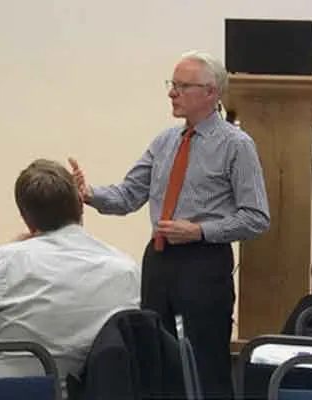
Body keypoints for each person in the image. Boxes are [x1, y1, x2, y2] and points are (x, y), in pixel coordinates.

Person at [69, 51, 271, 398]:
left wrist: (200, 231)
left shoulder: (236, 145)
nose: (171, 93)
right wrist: (89, 194)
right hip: (159, 261)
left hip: (204, 263)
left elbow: (257, 217)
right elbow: (129, 195)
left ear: (210, 92)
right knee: (154, 361)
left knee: (205, 364)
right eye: (172, 84)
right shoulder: (164, 142)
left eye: (182, 86)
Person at [0, 159, 141, 380]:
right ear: (81, 204)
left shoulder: (10, 262)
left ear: (26, 220)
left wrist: (11, 250)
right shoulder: (127, 270)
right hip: (102, 391)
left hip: (13, 392)